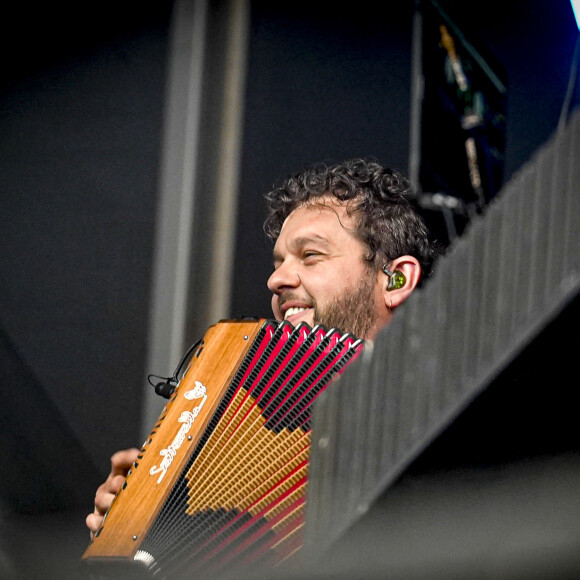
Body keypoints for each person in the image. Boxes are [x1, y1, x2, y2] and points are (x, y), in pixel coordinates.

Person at [85, 157, 439, 538]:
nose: (276, 279)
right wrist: (127, 528)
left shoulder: (446, 412)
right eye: (279, 262)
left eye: (310, 256)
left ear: (396, 279)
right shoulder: (236, 418)